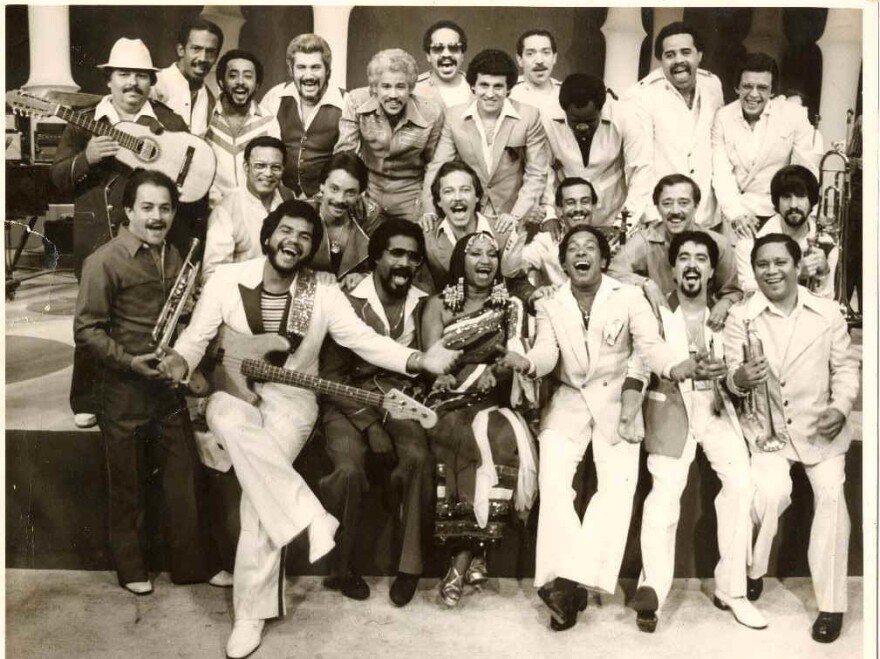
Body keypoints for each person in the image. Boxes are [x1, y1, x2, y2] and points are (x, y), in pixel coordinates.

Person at [159, 199, 459, 658]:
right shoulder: (225, 280)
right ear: (268, 235)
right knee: (224, 413)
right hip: (231, 397)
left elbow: (363, 340)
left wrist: (419, 359)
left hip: (291, 403)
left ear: (311, 248)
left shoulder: (320, 292)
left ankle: (249, 616)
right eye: (286, 231)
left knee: (258, 501)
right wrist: (176, 360)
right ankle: (310, 516)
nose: (293, 242)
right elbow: (195, 341)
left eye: (304, 236)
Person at [499, 225, 692, 631]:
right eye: (572, 249)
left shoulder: (629, 297)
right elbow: (547, 355)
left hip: (618, 400)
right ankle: (566, 584)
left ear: (604, 260)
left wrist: (674, 366)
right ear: (564, 262)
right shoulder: (550, 304)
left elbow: (649, 345)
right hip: (569, 401)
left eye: (590, 248)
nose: (581, 254)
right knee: (553, 485)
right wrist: (528, 364)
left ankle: (566, 584)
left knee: (617, 490)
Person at [73, 169, 215, 595]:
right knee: (128, 484)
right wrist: (130, 362)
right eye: (148, 208)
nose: (157, 217)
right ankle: (132, 569)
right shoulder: (103, 261)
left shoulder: (175, 256)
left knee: (181, 480)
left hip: (166, 386)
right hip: (124, 387)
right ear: (128, 210)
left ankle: (190, 567)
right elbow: (87, 331)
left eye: (166, 208)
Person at [723, 233, 860, 644]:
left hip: (822, 428)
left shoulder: (828, 312)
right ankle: (753, 569)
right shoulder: (741, 317)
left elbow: (846, 369)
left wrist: (840, 408)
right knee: (768, 492)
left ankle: (832, 605)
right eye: (762, 264)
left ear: (797, 266)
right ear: (755, 270)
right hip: (768, 433)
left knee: (833, 498)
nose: (771, 271)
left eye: (780, 262)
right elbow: (732, 375)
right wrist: (738, 380)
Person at [50, 37, 189, 429]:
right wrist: (86, 158)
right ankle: (87, 397)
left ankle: (150, 387)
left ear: (151, 82)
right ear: (109, 79)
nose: (132, 84)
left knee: (149, 315)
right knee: (93, 319)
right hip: (98, 237)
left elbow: (185, 178)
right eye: (124, 74)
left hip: (150, 240)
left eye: (141, 76)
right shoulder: (84, 120)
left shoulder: (168, 122)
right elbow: (58, 177)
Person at [630, 231, 765, 633]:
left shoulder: (729, 316)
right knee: (664, 494)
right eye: (684, 257)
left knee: (742, 485)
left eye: (701, 258)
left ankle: (732, 590)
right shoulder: (654, 309)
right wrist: (634, 406)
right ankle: (651, 590)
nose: (692, 265)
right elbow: (641, 361)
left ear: (710, 270)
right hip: (671, 407)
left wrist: (736, 378)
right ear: (672, 268)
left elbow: (739, 375)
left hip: (716, 407)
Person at [318, 220, 433, 607]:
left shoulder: (424, 301)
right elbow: (331, 374)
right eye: (396, 253)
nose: (404, 263)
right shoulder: (349, 300)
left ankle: (409, 568)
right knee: (349, 470)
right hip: (346, 399)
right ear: (376, 256)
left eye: (413, 257)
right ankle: (343, 567)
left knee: (417, 457)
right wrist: (369, 425)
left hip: (401, 400)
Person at [421, 231, 538, 608]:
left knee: (500, 436)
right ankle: (473, 553)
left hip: (488, 400)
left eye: (492, 254)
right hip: (446, 400)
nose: (485, 260)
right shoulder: (438, 304)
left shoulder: (511, 307)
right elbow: (430, 360)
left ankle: (461, 559)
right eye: (475, 253)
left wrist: (498, 371)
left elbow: (514, 354)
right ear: (460, 261)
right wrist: (441, 377)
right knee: (457, 437)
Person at [422, 49, 550, 232]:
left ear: (509, 89)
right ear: (473, 86)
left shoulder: (529, 116)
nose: (490, 94)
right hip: (468, 215)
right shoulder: (454, 116)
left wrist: (516, 216)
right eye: (484, 85)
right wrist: (429, 210)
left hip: (514, 215)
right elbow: (437, 167)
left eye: (498, 86)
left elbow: (536, 174)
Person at [608, 174, 742, 330]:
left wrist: (725, 303)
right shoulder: (644, 242)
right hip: (658, 326)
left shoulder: (718, 243)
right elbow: (611, 272)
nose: (675, 211)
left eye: (684, 203)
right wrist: (645, 283)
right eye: (667, 203)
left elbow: (734, 291)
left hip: (705, 325)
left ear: (696, 206)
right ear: (657, 207)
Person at [625, 22, 723, 229]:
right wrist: (652, 216)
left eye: (686, 52)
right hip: (664, 217)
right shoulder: (641, 96)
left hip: (707, 214)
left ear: (699, 55)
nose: (679, 60)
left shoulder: (713, 85)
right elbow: (639, 164)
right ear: (660, 60)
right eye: (670, 55)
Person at [712, 53, 818, 238]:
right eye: (747, 86)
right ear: (737, 87)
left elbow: (806, 173)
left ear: (773, 92)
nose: (753, 94)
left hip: (780, 215)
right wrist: (737, 215)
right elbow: (720, 173)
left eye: (762, 88)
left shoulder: (794, 116)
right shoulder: (723, 117)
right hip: (736, 214)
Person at [335, 48, 445, 222]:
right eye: (386, 86)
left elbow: (433, 165)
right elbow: (345, 154)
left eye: (400, 86)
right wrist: (354, 192)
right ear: (374, 87)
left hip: (411, 197)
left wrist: (427, 207)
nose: (393, 95)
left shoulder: (431, 113)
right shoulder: (356, 101)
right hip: (367, 192)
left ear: (410, 87)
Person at [545, 73, 653, 227]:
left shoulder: (626, 115)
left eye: (590, 121)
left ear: (601, 110)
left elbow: (641, 171)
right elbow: (543, 171)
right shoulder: (547, 118)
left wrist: (624, 224)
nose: (582, 127)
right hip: (566, 217)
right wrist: (549, 215)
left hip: (613, 213)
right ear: (564, 112)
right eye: (575, 121)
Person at [260, 34, 345, 198]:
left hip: (326, 201)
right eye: (301, 67)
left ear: (328, 71)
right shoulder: (275, 97)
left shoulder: (346, 103)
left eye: (315, 67)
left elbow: (348, 165)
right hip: (279, 197)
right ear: (291, 71)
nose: (308, 76)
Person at [734, 165, 834, 299]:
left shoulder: (827, 244)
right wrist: (795, 275)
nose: (793, 205)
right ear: (776, 201)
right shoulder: (749, 241)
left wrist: (824, 273)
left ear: (812, 201)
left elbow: (828, 304)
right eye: (786, 197)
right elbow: (749, 296)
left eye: (800, 197)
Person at [202, 135, 289, 283]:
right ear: (246, 167)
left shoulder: (288, 199)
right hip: (241, 296)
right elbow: (213, 276)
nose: (268, 174)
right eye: (260, 165)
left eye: (275, 167)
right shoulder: (225, 211)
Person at [422, 160, 512, 292]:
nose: (457, 197)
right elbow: (422, 288)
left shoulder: (502, 232)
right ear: (438, 201)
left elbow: (517, 282)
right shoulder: (427, 237)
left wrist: (533, 296)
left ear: (477, 197)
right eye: (448, 191)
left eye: (465, 190)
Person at [205, 49, 280, 206]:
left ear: (257, 84)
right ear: (221, 82)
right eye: (233, 75)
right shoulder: (206, 117)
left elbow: (273, 174)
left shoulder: (268, 121)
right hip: (213, 210)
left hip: (257, 212)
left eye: (248, 76)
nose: (240, 81)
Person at [500, 176, 601, 290]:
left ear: (594, 206)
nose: (578, 208)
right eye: (570, 202)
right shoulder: (546, 243)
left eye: (585, 201)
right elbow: (509, 270)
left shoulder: (608, 241)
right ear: (558, 210)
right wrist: (523, 227)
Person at [307, 152, 383, 291]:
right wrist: (311, 275)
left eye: (350, 192)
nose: (340, 199)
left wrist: (365, 277)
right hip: (309, 291)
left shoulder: (369, 216)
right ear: (322, 185)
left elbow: (382, 262)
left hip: (352, 294)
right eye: (334, 189)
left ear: (361, 193)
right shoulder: (303, 212)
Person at [152, 17, 223, 137]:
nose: (203, 58)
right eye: (196, 49)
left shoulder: (212, 101)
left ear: (216, 57)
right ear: (181, 50)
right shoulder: (154, 83)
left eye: (210, 52)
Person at [413, 20, 473, 108]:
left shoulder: (477, 87)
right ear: (428, 56)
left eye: (454, 48)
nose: (446, 54)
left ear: (462, 55)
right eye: (438, 49)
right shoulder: (414, 89)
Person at [509, 29, 562, 123]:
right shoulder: (508, 92)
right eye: (530, 54)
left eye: (546, 52)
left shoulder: (565, 92)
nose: (539, 61)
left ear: (554, 57)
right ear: (520, 59)